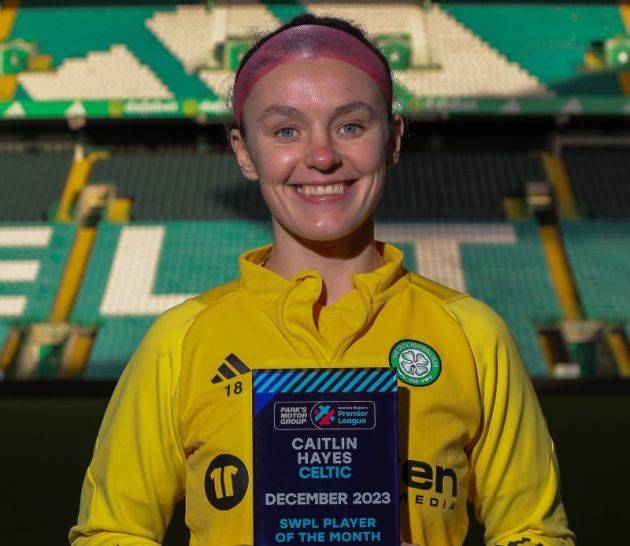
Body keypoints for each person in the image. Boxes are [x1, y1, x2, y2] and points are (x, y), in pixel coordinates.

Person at [70, 14, 575, 546]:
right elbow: (111, 532)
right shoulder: (179, 341)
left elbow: (533, 532)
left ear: (393, 140)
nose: (321, 157)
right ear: (244, 151)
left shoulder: (473, 336)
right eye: (286, 130)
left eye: (351, 126)